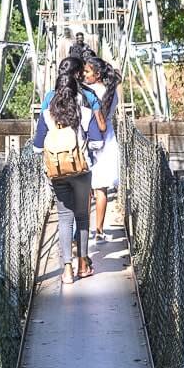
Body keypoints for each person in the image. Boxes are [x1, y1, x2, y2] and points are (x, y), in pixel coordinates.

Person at [34, 74, 102, 284]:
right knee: (82, 217)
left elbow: (37, 147)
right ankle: (83, 265)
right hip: (82, 172)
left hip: (58, 173)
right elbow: (97, 144)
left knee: (64, 219)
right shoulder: (85, 113)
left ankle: (66, 271)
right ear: (76, 92)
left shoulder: (47, 115)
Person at [83, 56, 122, 242]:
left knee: (84, 187)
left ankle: (83, 233)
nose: (84, 75)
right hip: (107, 139)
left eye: (87, 72)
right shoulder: (113, 92)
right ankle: (99, 230)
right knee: (101, 188)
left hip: (89, 139)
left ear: (97, 74)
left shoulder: (88, 92)